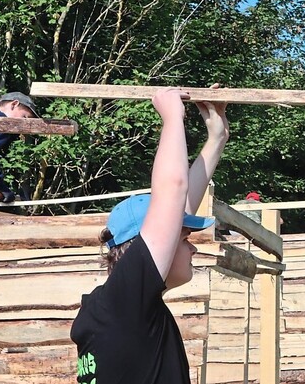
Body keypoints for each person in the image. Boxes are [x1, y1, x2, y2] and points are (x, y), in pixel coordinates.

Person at [70, 85, 229, 384]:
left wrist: (216, 139)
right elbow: (172, 191)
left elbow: (178, 206)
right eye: (184, 240)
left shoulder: (115, 307)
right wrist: (172, 117)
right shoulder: (124, 304)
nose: (193, 249)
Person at [0, 92, 40, 203]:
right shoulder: (1, 123)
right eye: (25, 117)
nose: (24, 126)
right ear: (14, 104)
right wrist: (0, 187)